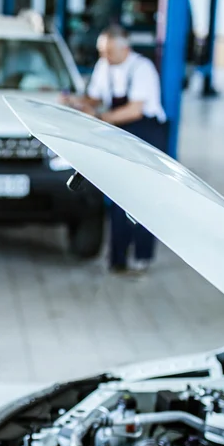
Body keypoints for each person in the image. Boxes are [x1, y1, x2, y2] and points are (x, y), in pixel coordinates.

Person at [62, 25, 168, 273]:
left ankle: (142, 256)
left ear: (125, 48)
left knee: (143, 198)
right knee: (120, 194)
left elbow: (135, 110)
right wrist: (74, 101)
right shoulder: (104, 66)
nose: (104, 57)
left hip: (146, 134)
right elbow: (96, 97)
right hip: (119, 133)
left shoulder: (142, 69)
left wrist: (100, 117)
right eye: (102, 52)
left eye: (109, 51)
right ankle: (117, 259)